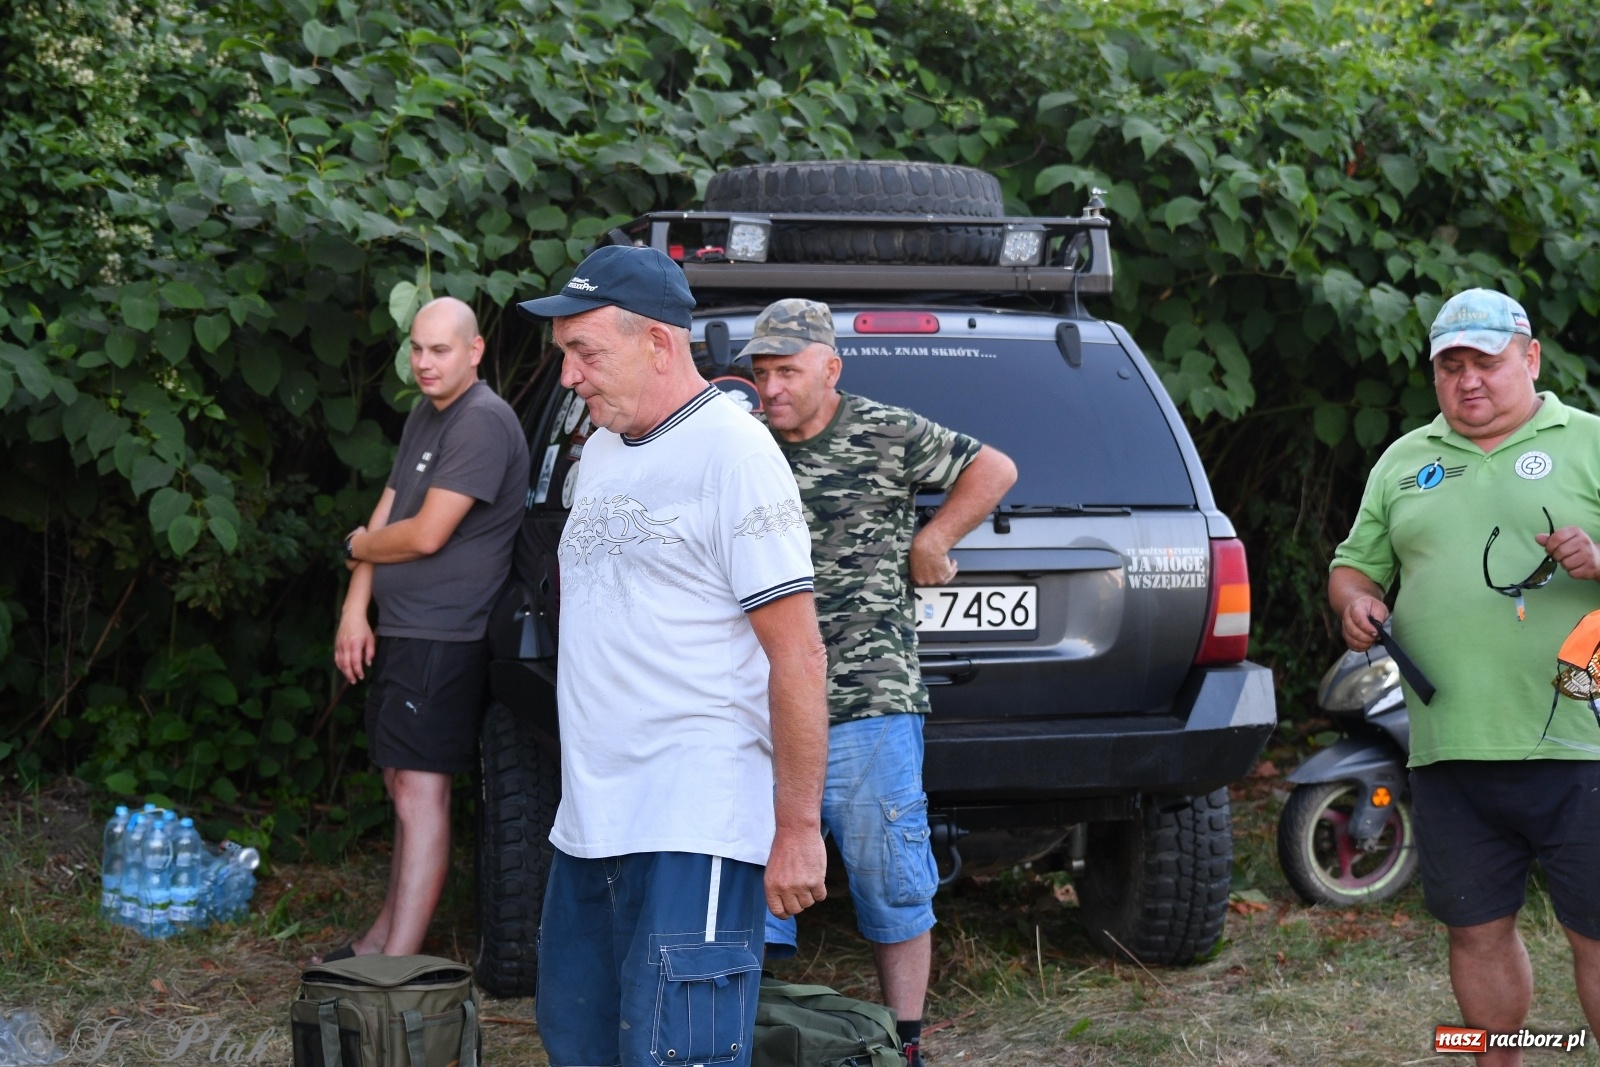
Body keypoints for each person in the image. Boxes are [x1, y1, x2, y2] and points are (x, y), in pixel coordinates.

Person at [515, 246, 830, 1067]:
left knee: (678, 1055)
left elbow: (798, 656)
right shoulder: (604, 453)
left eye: (587, 352)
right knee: (579, 1043)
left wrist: (796, 827)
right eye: (565, 357)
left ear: (658, 341)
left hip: (695, 819)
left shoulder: (737, 455)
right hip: (590, 820)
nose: (571, 377)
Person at [1328, 288, 1600, 1064]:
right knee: (1475, 931)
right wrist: (1356, 601)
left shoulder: (1589, 441)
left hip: (1584, 743)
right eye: (1451, 365)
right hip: (1451, 745)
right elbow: (1353, 566)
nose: (1468, 380)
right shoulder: (1405, 459)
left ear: (1531, 358)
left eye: (1485, 361)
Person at [747, 298, 1017, 1067]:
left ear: (831, 368)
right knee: (754, 876)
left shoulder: (885, 429)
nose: (772, 388)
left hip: (869, 694)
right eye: (762, 372)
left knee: (892, 877)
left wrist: (936, 535)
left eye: (788, 371)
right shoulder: (742, 445)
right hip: (763, 700)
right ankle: (754, 1031)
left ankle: (904, 1045)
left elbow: (993, 466)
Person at [320, 296, 530, 964]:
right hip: (406, 626)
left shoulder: (483, 422)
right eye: (416, 348)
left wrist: (357, 546)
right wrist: (357, 603)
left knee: (420, 791)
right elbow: (388, 511)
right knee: (401, 785)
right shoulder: (426, 413)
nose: (424, 362)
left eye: (440, 349)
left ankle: (393, 971)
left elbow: (425, 532)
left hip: (447, 633)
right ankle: (382, 941)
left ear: (474, 351)